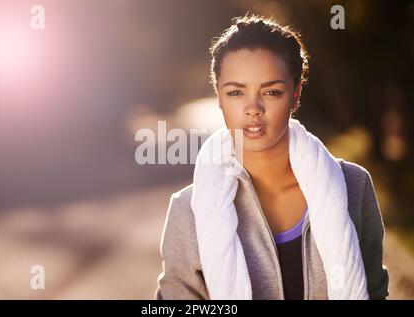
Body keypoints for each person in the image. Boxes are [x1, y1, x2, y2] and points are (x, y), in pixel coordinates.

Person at [154, 13, 389, 300]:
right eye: (236, 92)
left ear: (295, 94)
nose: (253, 108)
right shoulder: (187, 210)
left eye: (272, 92)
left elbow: (374, 293)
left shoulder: (353, 185)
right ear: (218, 95)